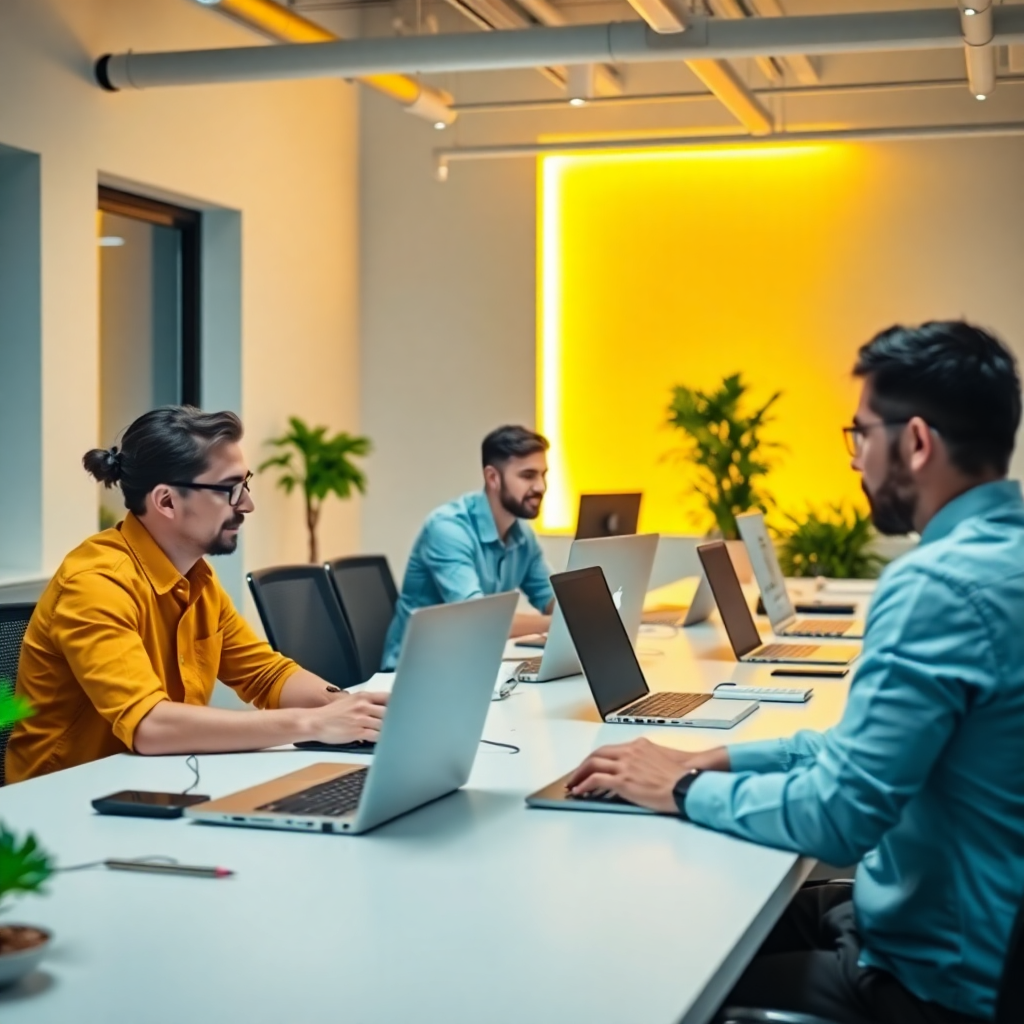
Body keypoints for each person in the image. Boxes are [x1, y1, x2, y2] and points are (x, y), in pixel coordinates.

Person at [567, 321, 1024, 1024]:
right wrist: (713, 756)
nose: (855, 461)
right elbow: (856, 752)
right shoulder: (1005, 562)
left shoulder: (938, 585)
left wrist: (681, 789)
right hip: (967, 935)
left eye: (861, 435)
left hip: (933, 980)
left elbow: (841, 817)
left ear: (917, 442)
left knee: (641, 984)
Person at [6, 406, 388, 783]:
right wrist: (312, 723)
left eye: (245, 484)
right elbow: (150, 725)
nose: (247, 504)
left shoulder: (196, 578)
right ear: (167, 501)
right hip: (63, 806)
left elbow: (267, 675)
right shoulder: (96, 583)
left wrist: (353, 708)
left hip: (152, 784)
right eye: (229, 490)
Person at [381, 425, 555, 670]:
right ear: (493, 477)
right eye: (528, 475)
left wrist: (577, 610)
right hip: (412, 673)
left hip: (470, 665)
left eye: (543, 475)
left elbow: (550, 597)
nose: (541, 487)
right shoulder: (447, 528)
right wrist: (558, 623)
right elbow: (479, 621)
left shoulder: (523, 535)